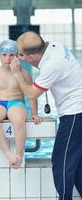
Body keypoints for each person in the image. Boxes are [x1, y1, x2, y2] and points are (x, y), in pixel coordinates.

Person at [10, 31, 82, 198]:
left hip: (75, 114)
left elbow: (32, 94)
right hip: (77, 111)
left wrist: (17, 73)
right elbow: (41, 65)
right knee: (76, 165)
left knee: (60, 163)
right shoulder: (55, 46)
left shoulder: (53, 65)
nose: (18, 57)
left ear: (33, 54)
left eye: (21, 54)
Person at [0, 39, 41, 169]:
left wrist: (34, 114)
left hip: (16, 103)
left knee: (18, 118)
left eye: (11, 55)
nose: (8, 58)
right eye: (4, 55)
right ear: (0, 55)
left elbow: (32, 95)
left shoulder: (23, 74)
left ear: (17, 55)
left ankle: (19, 154)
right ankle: (8, 152)